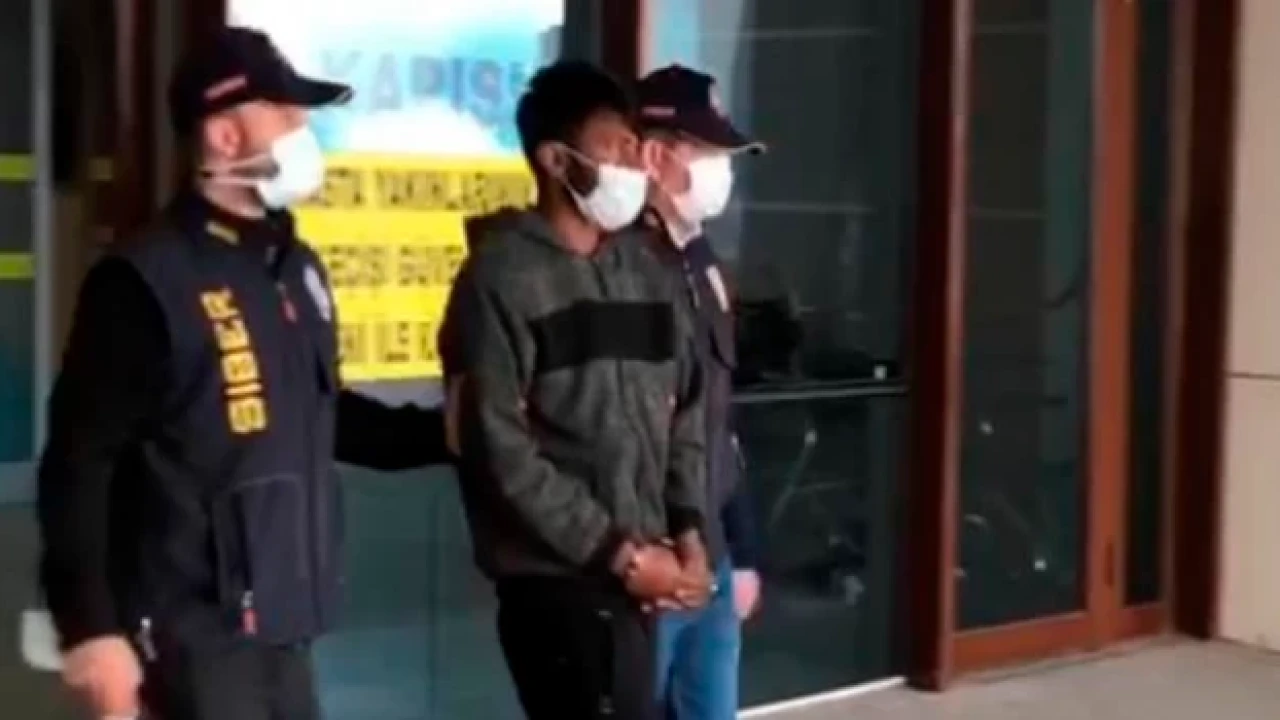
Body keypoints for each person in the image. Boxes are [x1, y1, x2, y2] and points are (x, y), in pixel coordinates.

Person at [36, 26, 450, 720]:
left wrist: (450, 435)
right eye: (284, 113)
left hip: (282, 631)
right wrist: (92, 627)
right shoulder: (146, 281)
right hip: (188, 635)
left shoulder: (294, 267)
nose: (303, 129)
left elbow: (320, 415)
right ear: (224, 136)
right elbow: (79, 463)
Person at [439, 60, 712, 720]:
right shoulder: (499, 280)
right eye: (614, 146)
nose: (634, 163)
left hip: (641, 578)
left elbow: (686, 411)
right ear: (557, 161)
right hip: (555, 588)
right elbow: (501, 452)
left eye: (634, 144)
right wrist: (621, 556)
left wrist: (688, 530)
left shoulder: (646, 270)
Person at [636, 64, 765, 719]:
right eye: (706, 152)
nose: (723, 170)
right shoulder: (620, 267)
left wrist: (742, 549)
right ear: (655, 157)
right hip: (650, 563)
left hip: (710, 550)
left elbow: (718, 418)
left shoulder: (700, 259)